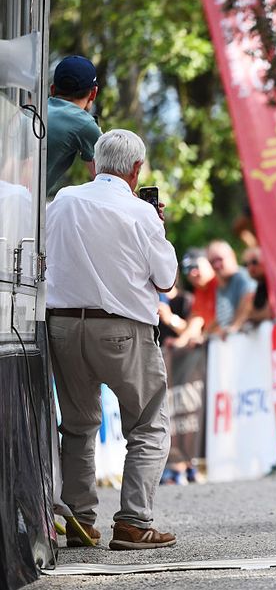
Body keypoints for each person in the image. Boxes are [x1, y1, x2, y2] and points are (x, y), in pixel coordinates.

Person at [46, 129, 177, 550]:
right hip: (123, 331)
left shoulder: (62, 200)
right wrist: (158, 225)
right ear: (137, 169)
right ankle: (134, 522)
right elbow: (167, 279)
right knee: (149, 425)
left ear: (94, 163)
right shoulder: (141, 213)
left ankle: (80, 520)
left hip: (62, 326)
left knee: (79, 427)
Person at [47, 55, 102, 199]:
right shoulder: (84, 123)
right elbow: (109, 181)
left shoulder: (36, 108)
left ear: (52, 90)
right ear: (93, 93)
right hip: (20, 208)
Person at [206, 240, 257, 337]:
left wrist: (234, 327)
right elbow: (222, 316)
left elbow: (249, 300)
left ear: (232, 256)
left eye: (219, 259)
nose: (216, 265)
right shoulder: (220, 286)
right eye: (212, 262)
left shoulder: (242, 277)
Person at [171, 248, 217, 348]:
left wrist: (204, 336)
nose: (192, 273)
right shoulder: (199, 291)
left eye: (195, 266)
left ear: (207, 262)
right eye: (187, 269)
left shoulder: (220, 283)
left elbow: (223, 316)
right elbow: (196, 321)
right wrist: (179, 342)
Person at [242, 246, 273, 324]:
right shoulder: (258, 286)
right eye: (246, 264)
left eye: (254, 262)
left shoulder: (273, 282)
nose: (251, 268)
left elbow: (270, 313)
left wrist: (250, 316)